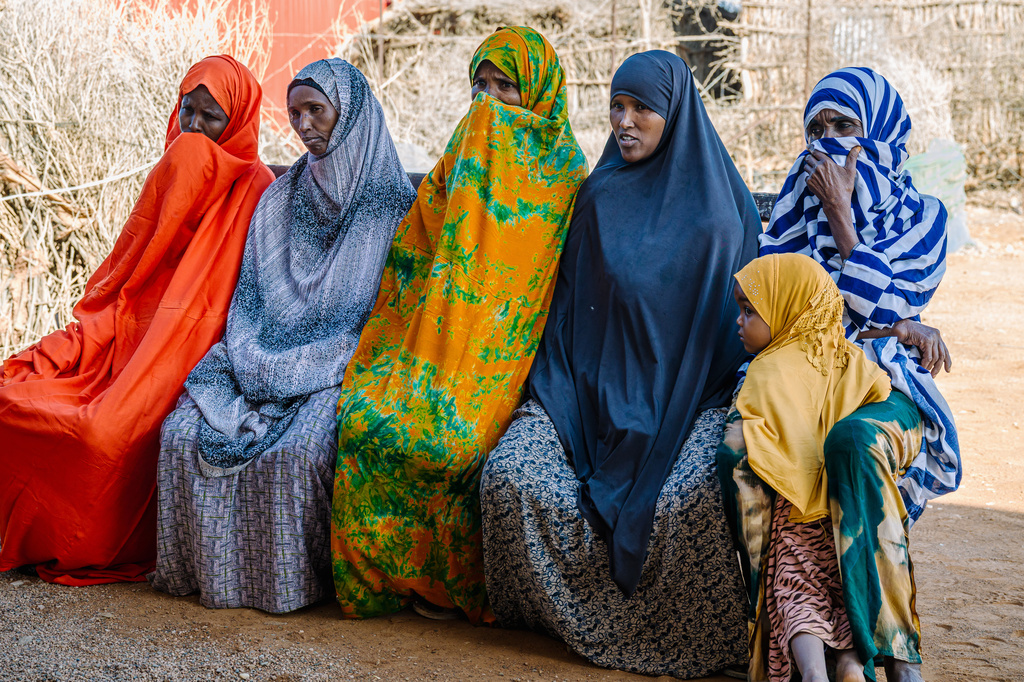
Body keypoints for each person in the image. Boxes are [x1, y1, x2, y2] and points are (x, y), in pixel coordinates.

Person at [479, 50, 761, 678]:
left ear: (677, 113)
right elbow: (567, 318)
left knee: (693, 497)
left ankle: (686, 642)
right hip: (586, 398)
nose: (625, 122)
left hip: (689, 404)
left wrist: (673, 419)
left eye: (643, 108)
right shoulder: (598, 197)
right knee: (510, 477)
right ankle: (551, 624)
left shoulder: (722, 215)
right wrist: (568, 404)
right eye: (617, 106)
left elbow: (729, 339)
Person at [330, 26, 587, 625]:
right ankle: (386, 585)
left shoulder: (569, 182)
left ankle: (450, 588)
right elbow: (409, 271)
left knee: (452, 446)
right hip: (424, 352)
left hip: (509, 367)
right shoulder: (455, 167)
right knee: (366, 424)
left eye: (508, 88)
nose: (490, 102)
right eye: (481, 85)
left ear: (541, 95)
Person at [149, 59, 415, 613]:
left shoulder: (391, 206)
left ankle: (289, 589)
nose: (303, 125)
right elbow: (250, 296)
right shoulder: (280, 197)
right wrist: (258, 358)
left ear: (351, 113)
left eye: (316, 110)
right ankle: (201, 578)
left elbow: (379, 318)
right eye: (294, 113)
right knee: (179, 433)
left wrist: (309, 363)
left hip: (341, 363)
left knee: (297, 453)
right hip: (259, 351)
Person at [725, 67, 960, 682]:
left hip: (887, 390)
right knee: (749, 454)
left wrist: (841, 219)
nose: (828, 143)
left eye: (846, 127)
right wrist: (903, 326)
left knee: (853, 444)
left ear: (881, 132)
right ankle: (811, 650)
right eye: (817, 129)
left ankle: (896, 654)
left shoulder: (925, 219)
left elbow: (877, 308)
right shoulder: (789, 213)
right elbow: (776, 310)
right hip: (802, 386)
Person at [0, 55, 274, 584]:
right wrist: (91, 341)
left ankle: (81, 543)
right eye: (186, 112)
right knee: (17, 397)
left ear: (237, 121)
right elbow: (122, 282)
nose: (193, 128)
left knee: (102, 434)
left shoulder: (256, 187)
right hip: (117, 341)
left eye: (210, 117)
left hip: (189, 354)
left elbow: (229, 300)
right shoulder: (173, 168)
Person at [721, 252, 894, 682]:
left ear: (785, 310)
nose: (739, 322)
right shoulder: (846, 357)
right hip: (843, 510)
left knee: (795, 592)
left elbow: (757, 435)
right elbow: (880, 388)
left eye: (749, 311)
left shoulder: (768, 369)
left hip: (792, 510)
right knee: (842, 594)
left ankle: (814, 674)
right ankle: (851, 663)